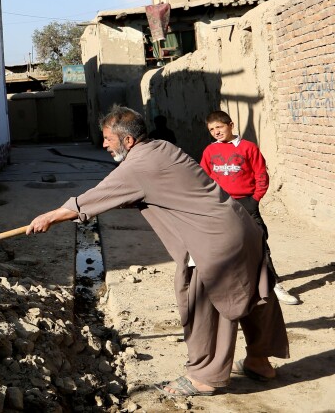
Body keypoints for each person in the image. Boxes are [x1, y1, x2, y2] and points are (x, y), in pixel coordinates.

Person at [27, 106, 289, 396]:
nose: (103, 145)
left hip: (213, 240)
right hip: (242, 227)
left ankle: (205, 378)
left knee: (206, 304)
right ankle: (259, 362)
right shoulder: (161, 148)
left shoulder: (136, 166)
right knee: (253, 295)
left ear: (127, 141)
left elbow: (93, 199)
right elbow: (148, 191)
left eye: (107, 139)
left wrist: (49, 217)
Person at [200, 111, 300, 306]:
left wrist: (254, 199)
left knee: (259, 243)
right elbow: (203, 178)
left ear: (231, 125)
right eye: (212, 129)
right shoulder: (209, 152)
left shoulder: (248, 148)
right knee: (224, 246)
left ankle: (274, 285)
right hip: (222, 205)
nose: (216, 132)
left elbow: (261, 174)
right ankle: (232, 287)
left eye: (219, 127)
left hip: (246, 202)